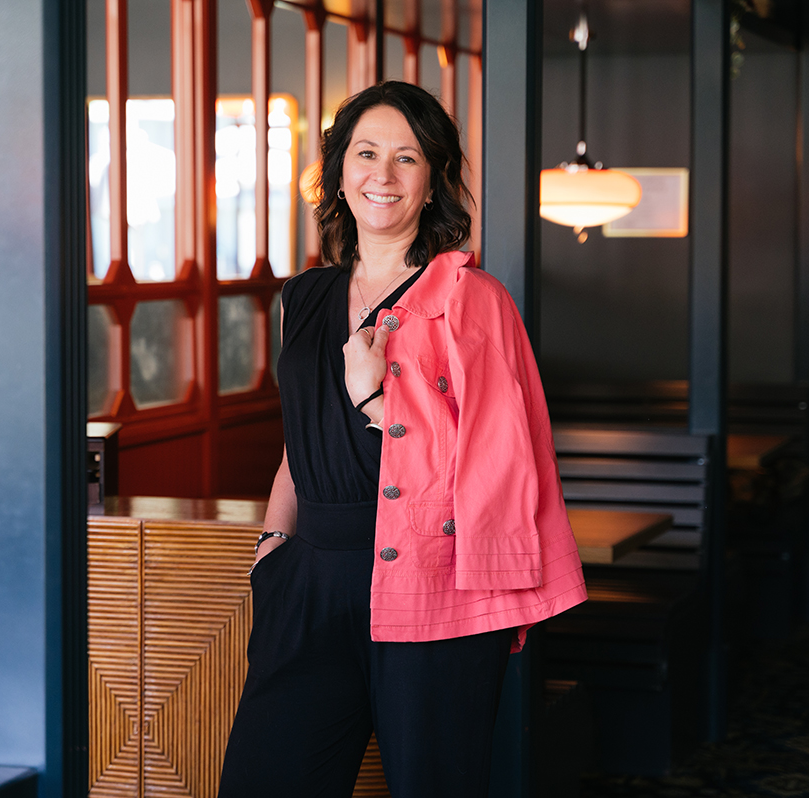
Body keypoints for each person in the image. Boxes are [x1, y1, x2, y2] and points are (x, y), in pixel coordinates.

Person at [217, 81, 587, 798]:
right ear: (338, 168)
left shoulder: (471, 302)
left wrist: (374, 395)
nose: (382, 176)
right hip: (309, 579)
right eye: (366, 153)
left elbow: (495, 465)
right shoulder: (305, 295)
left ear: (432, 181)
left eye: (406, 158)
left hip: (433, 577)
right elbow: (302, 436)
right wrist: (272, 550)